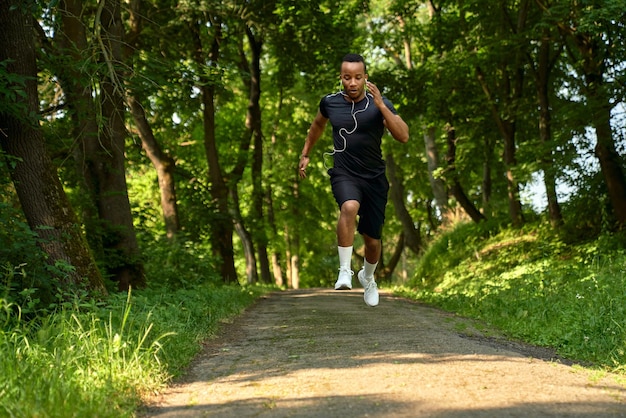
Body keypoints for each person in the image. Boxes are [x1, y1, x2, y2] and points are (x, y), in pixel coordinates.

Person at [298, 53, 409, 307]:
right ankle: (344, 270)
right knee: (349, 206)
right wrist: (306, 153)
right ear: (341, 78)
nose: (352, 82)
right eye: (347, 77)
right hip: (344, 172)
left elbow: (403, 135)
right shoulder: (330, 103)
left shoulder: (379, 103)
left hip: (374, 178)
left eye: (358, 77)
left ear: (365, 78)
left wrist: (381, 105)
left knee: (372, 241)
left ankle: (368, 278)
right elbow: (317, 126)